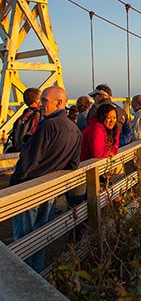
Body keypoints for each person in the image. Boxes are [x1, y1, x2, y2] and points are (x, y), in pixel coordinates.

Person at [9, 86, 82, 272]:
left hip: (29, 189)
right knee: (40, 238)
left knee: (23, 240)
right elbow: (73, 165)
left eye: (44, 100)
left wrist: (13, 186)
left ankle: (25, 282)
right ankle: (38, 275)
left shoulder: (47, 125)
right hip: (49, 191)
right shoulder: (75, 130)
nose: (41, 104)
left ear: (59, 103)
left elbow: (28, 162)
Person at [6, 87, 42, 152]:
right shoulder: (38, 116)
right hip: (32, 153)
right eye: (41, 98)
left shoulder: (20, 119)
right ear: (36, 101)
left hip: (20, 153)